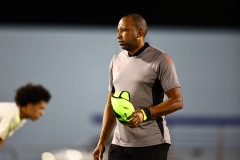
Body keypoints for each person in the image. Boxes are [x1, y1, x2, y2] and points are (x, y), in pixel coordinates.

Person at [93, 13, 183, 160]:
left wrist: (144, 114)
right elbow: (111, 103)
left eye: (123, 30)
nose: (118, 35)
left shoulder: (160, 59)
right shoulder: (116, 60)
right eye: (118, 30)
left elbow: (177, 101)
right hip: (119, 145)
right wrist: (102, 141)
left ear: (139, 32)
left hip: (151, 144)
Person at [0, 82, 51, 150]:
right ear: (29, 106)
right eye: (40, 108)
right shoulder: (11, 115)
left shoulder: (20, 118)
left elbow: (2, 138)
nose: (42, 113)